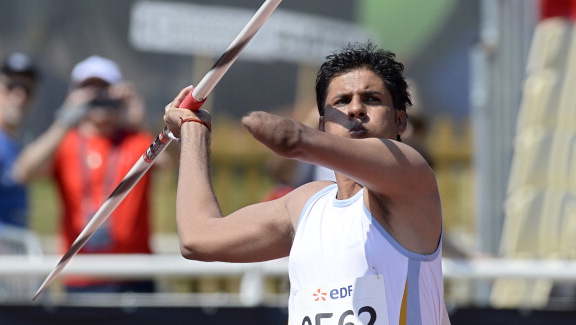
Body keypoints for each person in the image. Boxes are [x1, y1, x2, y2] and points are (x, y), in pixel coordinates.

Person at [164, 42, 450, 324]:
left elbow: (290, 138)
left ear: (400, 121)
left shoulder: (410, 178)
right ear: (323, 123)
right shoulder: (306, 206)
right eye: (341, 101)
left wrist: (248, 119)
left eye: (372, 99)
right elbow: (197, 238)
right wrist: (194, 128)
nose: (355, 110)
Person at [14, 55, 157, 293]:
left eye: (104, 89)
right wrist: (65, 120)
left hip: (133, 274)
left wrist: (139, 120)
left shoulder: (135, 139)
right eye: (89, 89)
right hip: (82, 277)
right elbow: (23, 171)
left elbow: (172, 160)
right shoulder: (65, 142)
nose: (98, 96)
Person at [0, 53, 39, 228]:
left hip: (14, 251)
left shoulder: (16, 143)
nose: (19, 95)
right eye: (11, 86)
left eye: (26, 89)